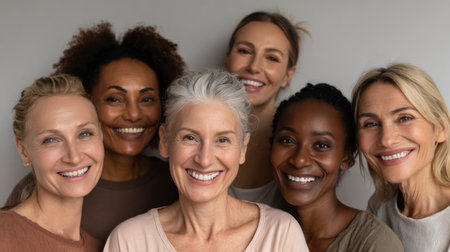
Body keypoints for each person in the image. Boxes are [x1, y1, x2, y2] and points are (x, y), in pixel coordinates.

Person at [4, 21, 185, 242]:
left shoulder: (180, 179)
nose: (134, 114)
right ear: (90, 104)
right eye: (114, 99)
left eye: (147, 99)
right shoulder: (43, 184)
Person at [104, 70, 309, 251]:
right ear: (165, 141)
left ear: (242, 148)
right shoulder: (129, 242)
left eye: (222, 140)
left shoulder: (280, 234)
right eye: (190, 138)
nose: (204, 159)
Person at [271, 83, 403, 251]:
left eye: (322, 145)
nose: (299, 160)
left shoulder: (373, 243)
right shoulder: (263, 230)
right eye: (287, 140)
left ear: (346, 158)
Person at [352, 63, 450, 252]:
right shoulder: (378, 208)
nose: (387, 139)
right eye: (371, 124)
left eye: (404, 118)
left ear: (441, 129)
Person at [0, 75, 103, 251]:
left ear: (101, 136)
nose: (74, 157)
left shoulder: (103, 248)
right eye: (51, 140)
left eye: (85, 134)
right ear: (23, 151)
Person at [225, 11, 309, 208]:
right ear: (227, 59)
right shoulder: (196, 131)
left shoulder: (302, 145)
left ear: (288, 74)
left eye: (271, 58)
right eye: (244, 51)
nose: (254, 67)